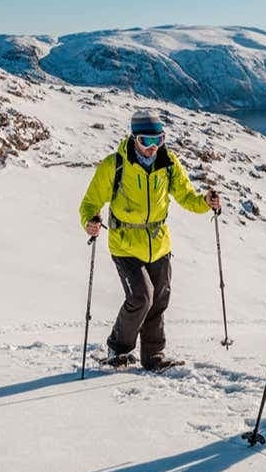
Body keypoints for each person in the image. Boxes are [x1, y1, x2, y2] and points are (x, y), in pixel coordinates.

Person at [79, 109, 221, 370]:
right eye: (146, 141)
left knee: (159, 299)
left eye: (159, 140)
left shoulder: (168, 164)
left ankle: (153, 357)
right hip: (125, 243)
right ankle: (118, 348)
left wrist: (205, 202)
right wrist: (90, 220)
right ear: (134, 139)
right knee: (142, 296)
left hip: (158, 243)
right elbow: (90, 202)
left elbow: (186, 196)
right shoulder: (115, 165)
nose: (153, 147)